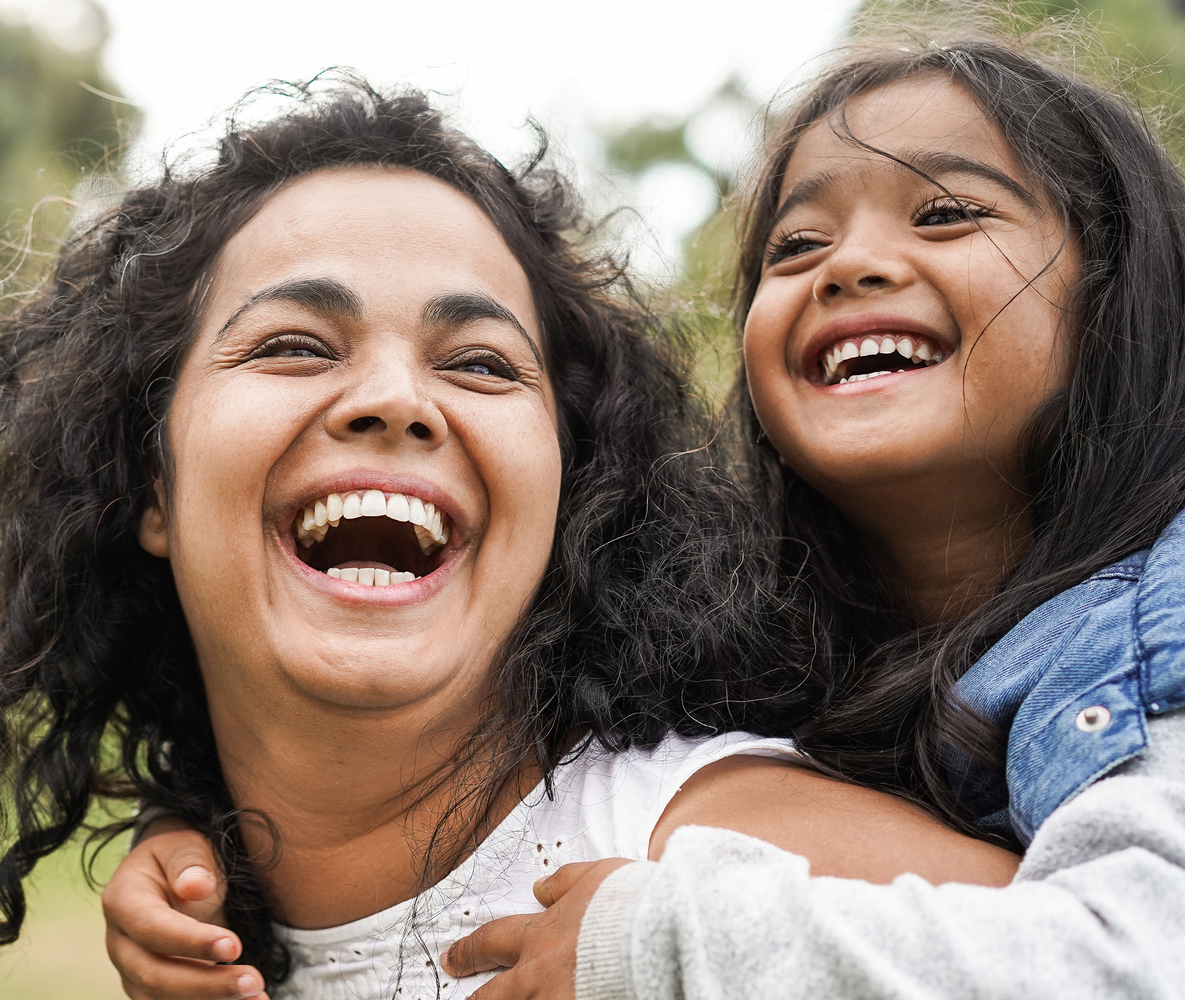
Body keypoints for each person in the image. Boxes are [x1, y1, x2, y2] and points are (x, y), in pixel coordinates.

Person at [0, 78, 1013, 1000]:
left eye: (477, 364)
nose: (397, 399)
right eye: (294, 344)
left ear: (569, 493)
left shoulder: (709, 856)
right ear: (149, 482)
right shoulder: (216, 915)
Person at [107, 31, 1185, 1000]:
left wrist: (661, 939)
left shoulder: (1147, 633)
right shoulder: (812, 658)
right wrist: (213, 837)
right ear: (146, 480)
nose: (849, 264)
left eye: (480, 362)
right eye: (793, 247)